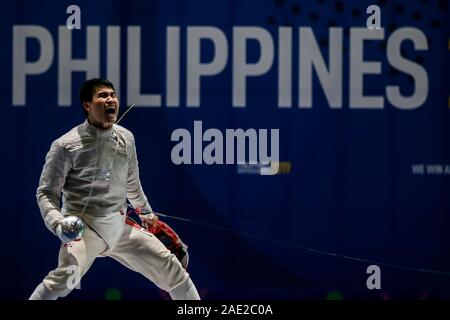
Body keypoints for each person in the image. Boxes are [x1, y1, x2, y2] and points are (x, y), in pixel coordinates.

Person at [29, 78, 200, 300]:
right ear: (87, 106)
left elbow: (132, 182)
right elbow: (46, 193)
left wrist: (145, 212)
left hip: (119, 228)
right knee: (64, 280)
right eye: (102, 95)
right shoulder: (65, 145)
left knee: (174, 272)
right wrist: (58, 223)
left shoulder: (126, 138)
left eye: (112, 95)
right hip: (84, 229)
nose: (110, 99)